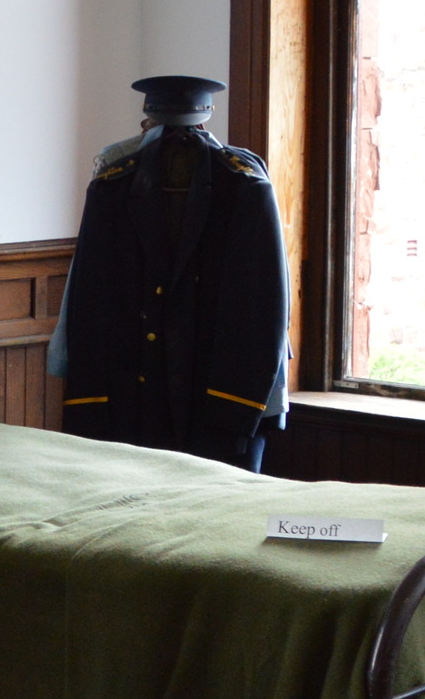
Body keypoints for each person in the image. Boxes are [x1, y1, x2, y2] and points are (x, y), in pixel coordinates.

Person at [49, 76, 291, 469]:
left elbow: (90, 300)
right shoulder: (116, 185)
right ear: (206, 118)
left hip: (151, 386)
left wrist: (88, 400)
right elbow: (263, 307)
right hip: (205, 384)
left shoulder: (240, 185)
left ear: (147, 120)